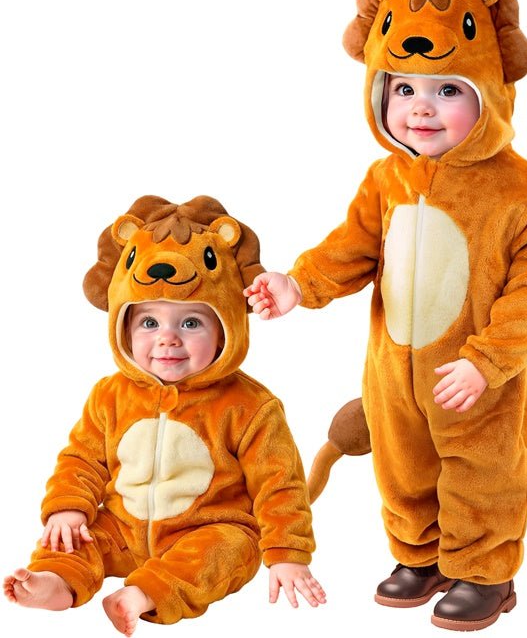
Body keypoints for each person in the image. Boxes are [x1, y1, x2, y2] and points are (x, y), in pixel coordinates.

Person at [245, 0, 527, 632]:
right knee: (402, 466)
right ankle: (420, 556)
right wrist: (298, 285)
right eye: (403, 89)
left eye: (449, 89)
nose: (421, 107)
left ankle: (485, 571)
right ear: (378, 91)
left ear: (490, 92)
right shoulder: (386, 178)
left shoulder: (526, 191)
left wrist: (486, 362)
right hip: (393, 371)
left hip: (478, 379)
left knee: (482, 471)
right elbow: (351, 247)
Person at [4, 196, 325, 637]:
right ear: (123, 328)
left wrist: (288, 553)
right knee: (75, 536)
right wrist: (68, 508)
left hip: (207, 529)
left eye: (191, 323)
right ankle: (55, 582)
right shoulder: (110, 395)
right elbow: (81, 459)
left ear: (227, 329)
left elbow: (279, 483)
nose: (167, 339)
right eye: (149, 323)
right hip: (122, 526)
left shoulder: (250, 405)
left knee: (230, 550)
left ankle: (143, 595)